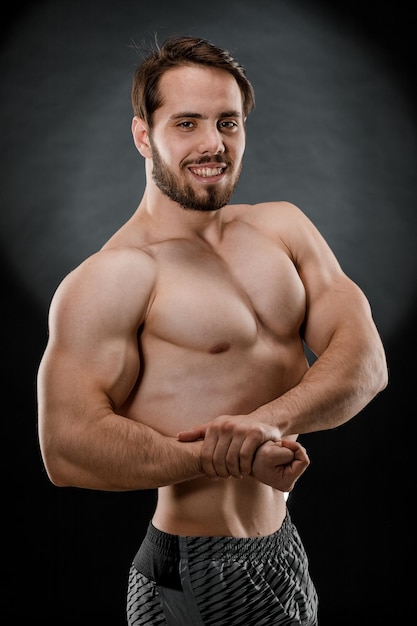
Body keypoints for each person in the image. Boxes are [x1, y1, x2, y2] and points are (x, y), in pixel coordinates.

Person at [37, 35, 388, 626]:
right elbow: (67, 449)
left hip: (281, 549)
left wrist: (267, 422)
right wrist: (225, 456)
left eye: (228, 122)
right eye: (187, 123)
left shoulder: (283, 228)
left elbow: (366, 362)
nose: (212, 144)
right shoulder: (114, 276)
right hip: (195, 570)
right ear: (143, 135)